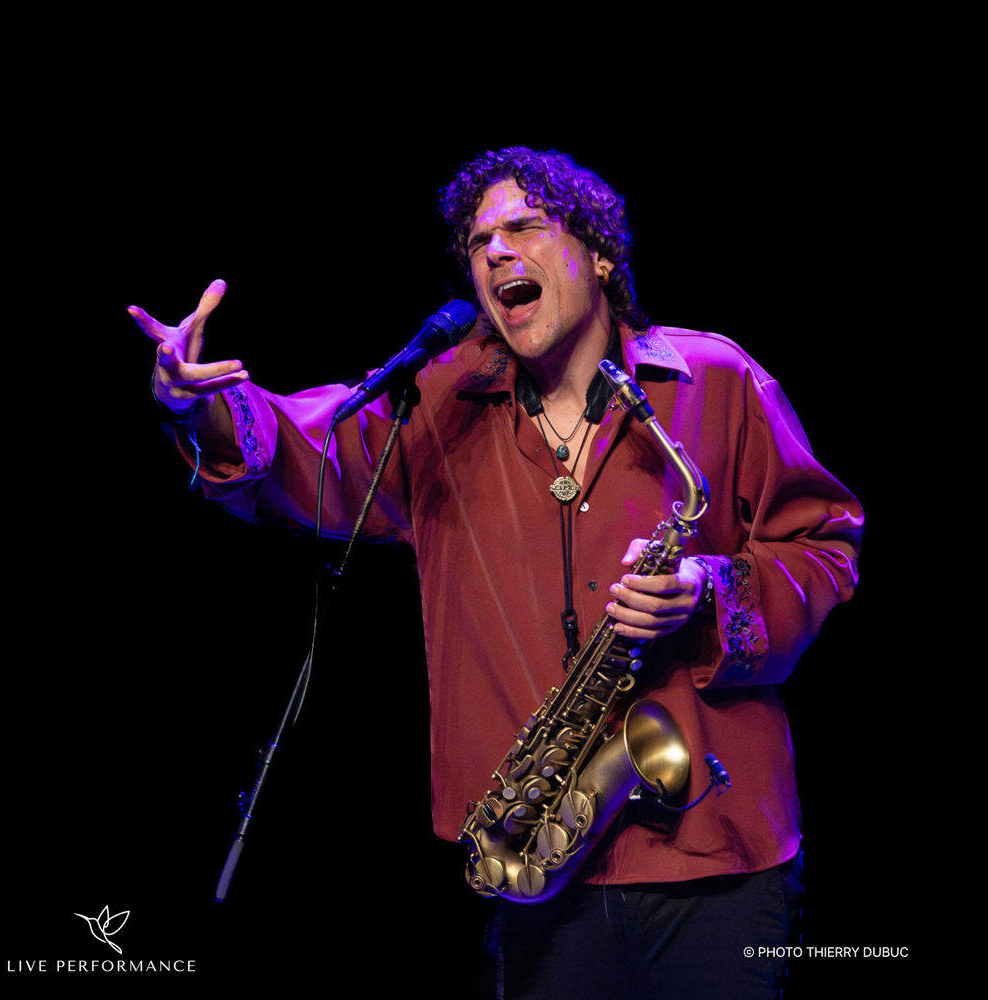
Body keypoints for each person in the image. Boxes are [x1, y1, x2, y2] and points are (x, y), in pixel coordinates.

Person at [130, 147, 862, 997]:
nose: (496, 252)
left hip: (717, 846)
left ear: (600, 255)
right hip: (535, 852)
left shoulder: (717, 379)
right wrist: (198, 407)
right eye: (479, 242)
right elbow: (309, 446)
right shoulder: (440, 402)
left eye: (525, 226)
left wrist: (708, 591)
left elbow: (823, 544)